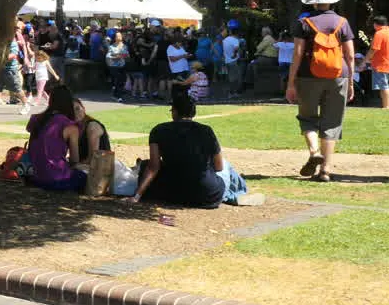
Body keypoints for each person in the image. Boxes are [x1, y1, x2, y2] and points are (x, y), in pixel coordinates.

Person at [127, 93, 262, 207]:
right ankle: (238, 193)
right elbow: (219, 167)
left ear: (174, 111)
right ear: (193, 112)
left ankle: (234, 194)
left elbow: (153, 167)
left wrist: (137, 196)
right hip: (208, 196)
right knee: (227, 166)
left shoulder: (159, 130)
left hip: (175, 194)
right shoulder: (206, 131)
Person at [285, 0, 355, 183]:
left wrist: (291, 83)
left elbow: (297, 54)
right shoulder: (343, 22)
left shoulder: (304, 23)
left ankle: (314, 151)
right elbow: (350, 55)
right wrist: (350, 82)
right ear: (330, 1)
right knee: (332, 122)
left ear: (314, 3)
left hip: (308, 76)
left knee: (307, 118)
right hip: (338, 75)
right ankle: (325, 170)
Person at [24, 86, 85, 191]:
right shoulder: (70, 126)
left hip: (33, 176)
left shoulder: (35, 118)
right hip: (56, 179)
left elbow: (30, 130)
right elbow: (75, 160)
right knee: (84, 176)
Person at [70, 97, 111, 168]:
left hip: (99, 171)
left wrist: (73, 166)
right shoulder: (74, 129)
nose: (75, 113)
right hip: (87, 169)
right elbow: (74, 159)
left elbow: (92, 160)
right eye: (71, 111)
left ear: (84, 108)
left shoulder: (92, 126)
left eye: (77, 109)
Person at [370, 16, 389, 109]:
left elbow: (374, 49)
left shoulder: (379, 33)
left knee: (383, 85)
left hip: (381, 64)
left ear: (375, 24)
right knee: (384, 84)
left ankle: (388, 105)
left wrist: (366, 60)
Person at [106, 31, 128, 102]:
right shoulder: (111, 47)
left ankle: (116, 94)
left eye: (120, 36)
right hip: (114, 66)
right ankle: (119, 96)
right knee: (118, 80)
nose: (119, 37)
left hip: (122, 65)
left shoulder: (124, 46)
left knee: (122, 80)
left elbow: (127, 55)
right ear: (115, 38)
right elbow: (108, 56)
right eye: (117, 36)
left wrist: (122, 55)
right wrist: (117, 56)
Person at [222, 26, 243, 97]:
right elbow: (236, 48)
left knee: (231, 77)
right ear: (237, 33)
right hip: (234, 60)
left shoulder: (225, 40)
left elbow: (224, 50)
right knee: (236, 78)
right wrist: (234, 54)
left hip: (227, 61)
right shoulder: (235, 40)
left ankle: (232, 92)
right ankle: (232, 93)